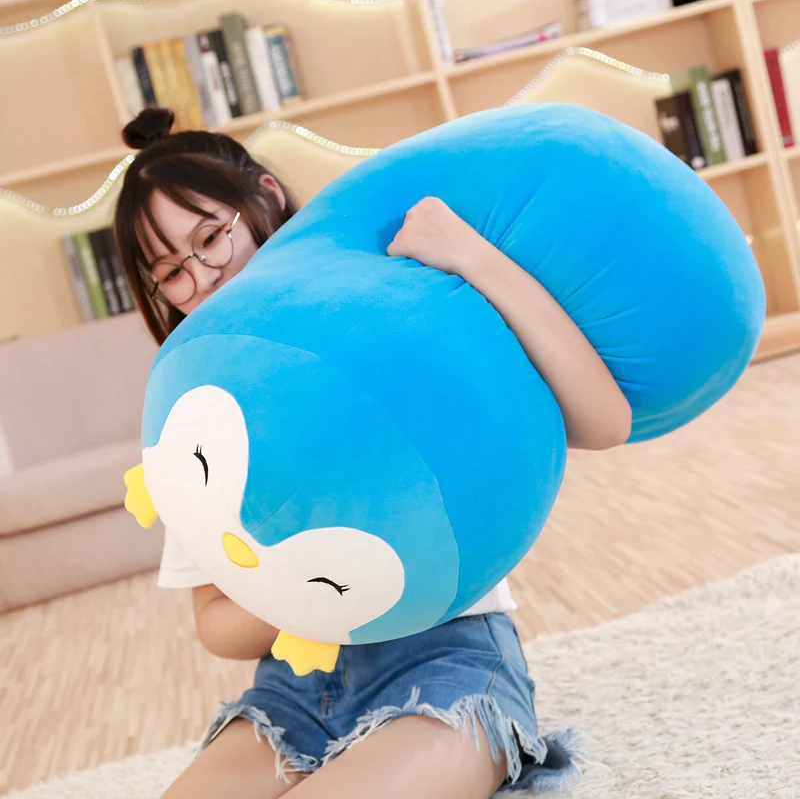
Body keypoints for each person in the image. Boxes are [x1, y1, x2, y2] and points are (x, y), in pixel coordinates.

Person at [114, 107, 632, 799]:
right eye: (172, 271)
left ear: (266, 196)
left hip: (445, 660)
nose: (203, 277)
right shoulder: (195, 403)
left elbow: (605, 420)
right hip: (295, 691)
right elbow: (213, 621)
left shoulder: (388, 305)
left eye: (211, 237)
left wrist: (472, 257)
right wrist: (304, 581)